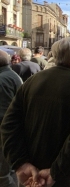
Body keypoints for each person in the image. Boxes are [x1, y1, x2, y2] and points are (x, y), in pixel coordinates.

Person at [1, 38, 70, 187]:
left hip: (31, 171)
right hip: (62, 175)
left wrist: (20, 163)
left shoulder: (32, 81)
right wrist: (56, 170)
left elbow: (8, 125)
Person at [0, 50, 23, 187]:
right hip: (12, 128)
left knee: (2, 174)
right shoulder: (12, 75)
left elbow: (2, 113)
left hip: (4, 130)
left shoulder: (2, 79)